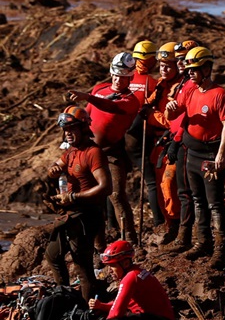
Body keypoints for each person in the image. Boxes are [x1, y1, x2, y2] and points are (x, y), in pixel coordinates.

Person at [165, 47, 225, 268]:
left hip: (210, 155)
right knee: (197, 200)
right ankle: (203, 241)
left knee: (215, 203)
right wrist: (169, 108)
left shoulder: (220, 94)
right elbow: (172, 115)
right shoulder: (190, 90)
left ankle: (221, 249)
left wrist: (222, 154)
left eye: (194, 69)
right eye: (189, 69)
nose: (190, 73)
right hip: (191, 154)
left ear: (206, 68)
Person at [68, 53, 140, 246]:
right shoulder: (100, 88)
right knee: (90, 198)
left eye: (123, 76)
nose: (118, 80)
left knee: (116, 195)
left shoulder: (131, 100)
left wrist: (88, 97)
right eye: (116, 75)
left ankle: (131, 241)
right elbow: (87, 117)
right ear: (111, 72)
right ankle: (97, 245)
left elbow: (110, 106)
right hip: (90, 151)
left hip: (111, 152)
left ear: (130, 77)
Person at [45, 106, 112, 301]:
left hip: (86, 215)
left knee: (82, 266)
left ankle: (86, 309)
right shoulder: (71, 152)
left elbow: (106, 187)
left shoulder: (93, 152)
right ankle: (63, 295)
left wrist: (74, 197)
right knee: (53, 255)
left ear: (83, 129)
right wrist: (53, 170)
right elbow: (56, 166)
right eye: (65, 131)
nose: (68, 134)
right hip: (70, 214)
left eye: (72, 130)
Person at [89, 240, 176, 320]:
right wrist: (101, 306)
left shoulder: (130, 278)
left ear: (125, 263)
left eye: (112, 266)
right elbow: (123, 304)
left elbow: (116, 313)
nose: (109, 271)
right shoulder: (136, 273)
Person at [141, 42, 184, 245]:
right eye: (161, 65)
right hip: (158, 143)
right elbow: (148, 104)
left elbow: (172, 119)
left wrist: (151, 115)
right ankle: (169, 224)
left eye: (168, 66)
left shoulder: (180, 88)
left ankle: (176, 226)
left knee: (169, 184)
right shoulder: (160, 85)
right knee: (160, 187)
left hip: (173, 140)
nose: (164, 69)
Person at [163, 40, 200, 253]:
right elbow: (174, 114)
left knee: (190, 192)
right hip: (178, 139)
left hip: (188, 142)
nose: (180, 63)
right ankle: (182, 234)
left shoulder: (193, 85)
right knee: (181, 190)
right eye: (178, 60)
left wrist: (177, 140)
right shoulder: (182, 83)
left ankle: (188, 237)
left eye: (183, 59)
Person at [126, 39, 164, 233]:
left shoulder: (125, 79)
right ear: (151, 61)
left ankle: (113, 224)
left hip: (120, 135)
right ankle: (159, 222)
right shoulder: (153, 83)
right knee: (151, 182)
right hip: (140, 138)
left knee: (116, 183)